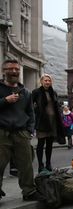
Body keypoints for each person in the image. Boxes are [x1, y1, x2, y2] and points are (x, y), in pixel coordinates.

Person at [0, 59, 44, 201]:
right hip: (2, 133)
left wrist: (29, 130)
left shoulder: (25, 92)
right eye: (10, 69)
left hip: (21, 133)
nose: (14, 71)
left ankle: (29, 191)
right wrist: (5, 101)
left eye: (16, 69)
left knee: (26, 164)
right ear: (3, 71)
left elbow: (31, 113)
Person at [32, 74, 65, 172]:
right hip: (42, 121)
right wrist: (36, 112)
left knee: (50, 144)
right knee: (41, 144)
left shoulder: (53, 92)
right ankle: (40, 165)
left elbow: (56, 106)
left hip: (53, 122)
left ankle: (48, 163)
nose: (47, 82)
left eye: (49, 81)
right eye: (45, 80)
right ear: (41, 81)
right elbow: (30, 106)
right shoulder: (36, 92)